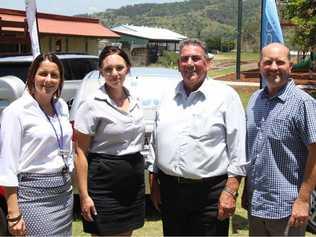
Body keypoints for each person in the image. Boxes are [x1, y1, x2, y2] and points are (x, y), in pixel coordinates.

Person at [148, 38, 247, 236]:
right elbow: (155, 143)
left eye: (196, 58)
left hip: (210, 194)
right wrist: (154, 183)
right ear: (178, 65)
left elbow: (238, 149)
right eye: (184, 59)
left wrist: (230, 191)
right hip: (171, 191)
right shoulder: (168, 96)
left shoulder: (225, 96)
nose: (190, 64)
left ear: (207, 63)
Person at [245, 42, 316, 236]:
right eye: (268, 62)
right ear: (260, 65)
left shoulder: (303, 103)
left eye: (280, 62)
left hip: (287, 209)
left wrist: (303, 200)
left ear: (290, 67)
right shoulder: (254, 100)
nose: (274, 67)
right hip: (257, 204)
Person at [74, 46, 145, 236]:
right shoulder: (91, 104)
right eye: (108, 69)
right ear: (101, 72)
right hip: (103, 182)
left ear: (128, 68)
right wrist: (84, 196)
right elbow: (80, 152)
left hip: (133, 180)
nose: (115, 73)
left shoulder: (136, 99)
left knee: (126, 233)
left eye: (119, 68)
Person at [0, 53, 73, 236]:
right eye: (43, 74)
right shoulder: (16, 112)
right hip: (33, 196)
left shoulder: (61, 107)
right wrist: (13, 212)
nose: (48, 80)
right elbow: (7, 164)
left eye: (54, 75)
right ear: (32, 76)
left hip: (64, 193)